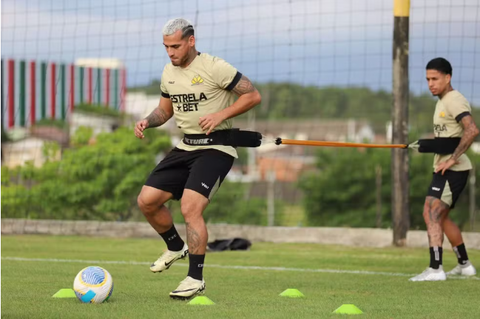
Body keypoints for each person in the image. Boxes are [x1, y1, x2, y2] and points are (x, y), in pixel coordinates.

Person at [134, 18, 261, 299]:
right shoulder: (168, 72)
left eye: (175, 46)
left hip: (217, 148)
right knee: (147, 200)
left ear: (191, 41)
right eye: (166, 47)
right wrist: (147, 120)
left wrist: (220, 115)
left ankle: (195, 278)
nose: (170, 52)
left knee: (191, 208)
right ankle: (175, 246)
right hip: (186, 146)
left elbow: (253, 96)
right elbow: (164, 111)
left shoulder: (216, 67)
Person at [409, 57, 478, 281]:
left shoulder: (453, 100)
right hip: (445, 168)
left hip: (452, 170)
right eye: (428, 79)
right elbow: (449, 138)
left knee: (430, 212)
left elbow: (472, 130)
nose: (430, 83)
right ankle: (465, 265)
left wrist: (452, 159)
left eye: (435, 78)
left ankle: (435, 268)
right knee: (443, 217)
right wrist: (424, 145)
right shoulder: (442, 101)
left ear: (448, 78)